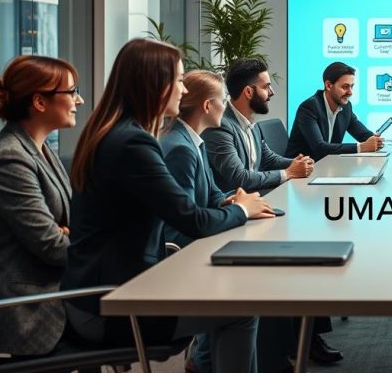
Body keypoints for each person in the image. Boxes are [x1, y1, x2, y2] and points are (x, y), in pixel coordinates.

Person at [62, 39, 275, 373]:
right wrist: (242, 210)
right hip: (110, 304)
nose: (182, 88)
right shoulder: (133, 143)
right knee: (242, 307)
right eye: (177, 79)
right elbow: (191, 220)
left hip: (106, 290)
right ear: (155, 85)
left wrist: (233, 206)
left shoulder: (115, 132)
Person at [162, 70, 298, 373]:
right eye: (223, 100)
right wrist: (241, 210)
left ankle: (204, 361)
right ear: (208, 107)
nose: (227, 107)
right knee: (247, 296)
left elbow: (210, 194)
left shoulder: (192, 142)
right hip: (184, 253)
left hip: (202, 238)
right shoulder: (181, 149)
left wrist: (234, 201)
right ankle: (206, 361)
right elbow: (184, 221)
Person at [0, 56, 83, 357]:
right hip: (35, 310)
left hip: (59, 290)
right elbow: (53, 246)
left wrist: (67, 231)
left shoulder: (41, 149)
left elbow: (72, 225)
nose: (80, 99)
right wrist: (64, 234)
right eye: (72, 91)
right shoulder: (10, 159)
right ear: (39, 102)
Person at [204, 58, 313, 194]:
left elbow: (268, 159)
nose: (271, 92)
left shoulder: (251, 122)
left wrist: (297, 163)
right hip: (233, 206)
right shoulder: (220, 126)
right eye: (266, 87)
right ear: (248, 92)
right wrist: (288, 173)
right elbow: (239, 178)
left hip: (255, 198)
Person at [285, 61, 382, 161]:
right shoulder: (309, 107)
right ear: (328, 86)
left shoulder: (346, 107)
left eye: (352, 86)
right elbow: (320, 147)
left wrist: (375, 141)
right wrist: (362, 147)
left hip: (327, 166)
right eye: (345, 87)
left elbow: (363, 135)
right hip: (300, 170)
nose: (350, 92)